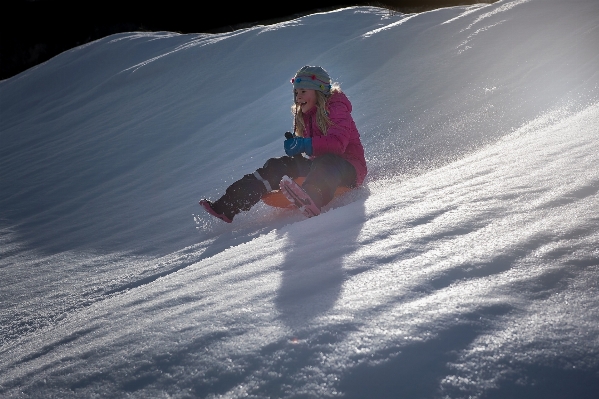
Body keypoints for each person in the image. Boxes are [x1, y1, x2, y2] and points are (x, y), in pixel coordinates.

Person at [200, 65, 367, 222]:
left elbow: (337, 145)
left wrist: (305, 144)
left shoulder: (337, 108)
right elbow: (315, 150)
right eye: (296, 92)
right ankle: (227, 206)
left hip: (348, 168)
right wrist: (297, 148)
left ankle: (313, 197)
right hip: (321, 167)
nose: (298, 96)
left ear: (319, 91)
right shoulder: (306, 115)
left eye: (303, 91)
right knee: (277, 165)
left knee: (327, 162)